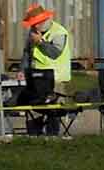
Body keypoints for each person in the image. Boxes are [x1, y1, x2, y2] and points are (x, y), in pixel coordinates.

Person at [16, 2, 69, 136]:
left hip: (56, 79)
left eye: (36, 23)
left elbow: (54, 53)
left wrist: (40, 42)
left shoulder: (59, 32)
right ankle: (34, 135)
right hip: (36, 78)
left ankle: (53, 136)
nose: (34, 26)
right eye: (32, 24)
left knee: (53, 110)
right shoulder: (32, 33)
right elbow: (27, 53)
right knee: (34, 107)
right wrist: (22, 70)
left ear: (44, 21)